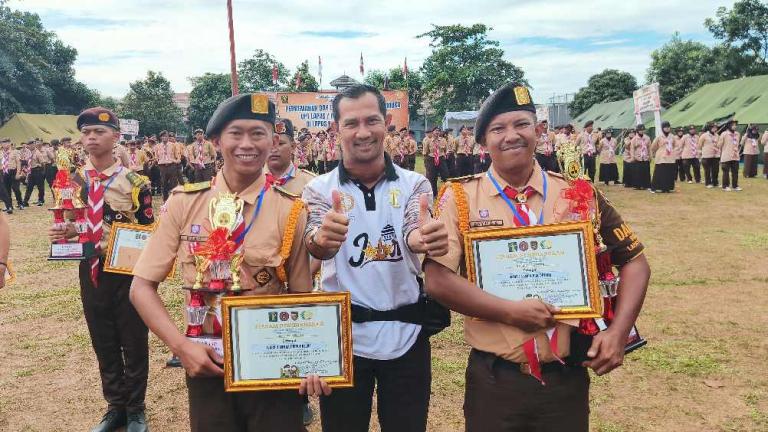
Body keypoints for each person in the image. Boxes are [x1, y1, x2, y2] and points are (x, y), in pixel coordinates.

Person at [423, 82, 650, 431]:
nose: (511, 136)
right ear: (482, 142)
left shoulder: (578, 193)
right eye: (498, 129)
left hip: (565, 379)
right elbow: (438, 279)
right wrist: (510, 311)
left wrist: (619, 332)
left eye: (521, 124)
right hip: (494, 378)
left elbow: (635, 261)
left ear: (539, 131)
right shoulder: (460, 199)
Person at [130, 94, 328, 431]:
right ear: (216, 141)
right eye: (236, 133)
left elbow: (300, 295)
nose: (247, 144)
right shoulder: (183, 204)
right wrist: (181, 346)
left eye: (258, 133)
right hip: (207, 362)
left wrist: (309, 357)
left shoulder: (291, 209)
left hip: (272, 364)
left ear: (273, 141)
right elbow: (141, 287)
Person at [302, 84, 449, 432]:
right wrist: (323, 240)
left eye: (373, 120)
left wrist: (423, 237)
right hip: (343, 337)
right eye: (351, 123)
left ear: (387, 124)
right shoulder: (319, 190)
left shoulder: (415, 184)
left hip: (408, 332)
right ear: (336, 129)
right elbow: (316, 244)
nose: (363, 132)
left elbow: (414, 229)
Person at [48, 107, 154, 432]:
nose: (91, 138)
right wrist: (64, 233)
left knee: (133, 340)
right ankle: (115, 407)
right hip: (89, 269)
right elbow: (71, 223)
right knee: (103, 339)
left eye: (99, 132)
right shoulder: (73, 182)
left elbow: (148, 231)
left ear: (116, 137)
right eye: (87, 132)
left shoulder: (136, 182)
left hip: (126, 272)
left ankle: (136, 409)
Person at [650, 121, 678, 193]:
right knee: (659, 172)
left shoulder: (672, 136)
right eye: (665, 127)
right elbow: (653, 146)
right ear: (662, 128)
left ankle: (667, 188)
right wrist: (655, 152)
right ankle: (655, 187)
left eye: (668, 127)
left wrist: (673, 151)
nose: (667, 129)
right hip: (661, 157)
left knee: (669, 172)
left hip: (670, 157)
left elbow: (675, 145)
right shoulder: (659, 136)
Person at [423, 126, 449, 196]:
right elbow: (425, 152)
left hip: (441, 158)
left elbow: (446, 150)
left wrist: (446, 155)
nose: (437, 132)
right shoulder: (428, 140)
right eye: (436, 131)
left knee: (445, 176)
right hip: (431, 159)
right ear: (432, 132)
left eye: (438, 131)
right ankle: (434, 194)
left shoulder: (443, 140)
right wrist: (427, 162)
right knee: (432, 178)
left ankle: (447, 192)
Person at [156, 131, 181, 200]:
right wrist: (159, 162)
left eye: (166, 136)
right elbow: (156, 156)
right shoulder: (157, 146)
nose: (164, 137)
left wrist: (176, 161)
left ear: (168, 137)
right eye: (162, 136)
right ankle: (165, 200)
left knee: (173, 183)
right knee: (164, 184)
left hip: (171, 166)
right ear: (160, 137)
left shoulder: (173, 145)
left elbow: (177, 156)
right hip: (162, 167)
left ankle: (174, 199)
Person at [718, 120, 741, 191]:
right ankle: (725, 186)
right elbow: (719, 145)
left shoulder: (737, 134)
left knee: (735, 172)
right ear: (729, 125)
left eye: (735, 125)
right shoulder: (724, 134)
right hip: (726, 156)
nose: (734, 126)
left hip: (735, 156)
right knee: (726, 172)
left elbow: (737, 144)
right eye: (733, 125)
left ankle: (735, 186)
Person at [1, 138, 23, 212]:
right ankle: (9, 206)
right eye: (3, 143)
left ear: (10, 143)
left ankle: (20, 203)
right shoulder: (1, 153)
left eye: (6, 143)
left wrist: (18, 173)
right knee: (7, 190)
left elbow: (18, 163)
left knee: (16, 188)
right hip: (4, 172)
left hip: (13, 172)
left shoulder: (15, 152)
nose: (5, 145)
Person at [23, 139, 46, 206]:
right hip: (31, 171)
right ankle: (25, 202)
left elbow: (43, 163)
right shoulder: (28, 153)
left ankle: (41, 200)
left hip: (38, 170)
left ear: (34, 144)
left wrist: (42, 171)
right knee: (29, 187)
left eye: (32, 144)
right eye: (29, 144)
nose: (31, 146)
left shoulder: (37, 152)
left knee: (40, 187)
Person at [630, 124, 651, 190]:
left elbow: (649, 148)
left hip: (645, 157)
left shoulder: (647, 138)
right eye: (640, 130)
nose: (641, 131)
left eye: (642, 130)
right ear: (637, 131)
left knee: (646, 172)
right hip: (638, 157)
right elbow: (632, 148)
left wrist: (650, 156)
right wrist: (633, 157)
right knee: (638, 172)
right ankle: (637, 185)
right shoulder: (634, 139)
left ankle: (646, 185)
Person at [700, 123, 721, 188]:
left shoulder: (717, 135)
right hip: (706, 156)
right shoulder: (704, 135)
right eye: (713, 127)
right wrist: (701, 153)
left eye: (715, 127)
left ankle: (715, 183)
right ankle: (708, 183)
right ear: (709, 128)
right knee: (707, 170)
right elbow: (699, 145)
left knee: (715, 170)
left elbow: (719, 144)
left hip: (715, 155)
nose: (715, 128)